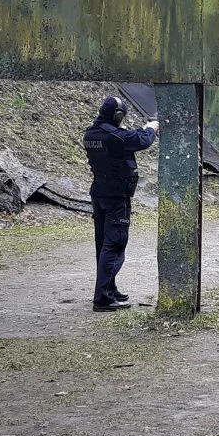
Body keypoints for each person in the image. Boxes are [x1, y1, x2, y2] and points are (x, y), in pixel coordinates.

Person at [83, 97, 159, 312]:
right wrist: (151, 128)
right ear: (118, 116)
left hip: (100, 193)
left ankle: (109, 288)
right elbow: (141, 140)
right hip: (116, 195)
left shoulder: (91, 134)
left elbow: (123, 138)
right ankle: (103, 299)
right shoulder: (115, 136)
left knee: (104, 244)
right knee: (115, 243)